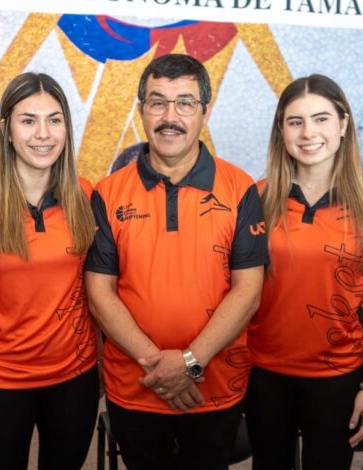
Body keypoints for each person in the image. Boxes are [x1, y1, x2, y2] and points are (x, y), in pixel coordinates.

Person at [85, 53, 268, 470]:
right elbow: (99, 293)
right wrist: (162, 367)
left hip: (213, 385)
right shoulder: (108, 193)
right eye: (158, 102)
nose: (170, 117)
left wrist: (189, 363)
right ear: (141, 110)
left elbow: (249, 291)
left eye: (185, 102)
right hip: (137, 384)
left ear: (205, 111)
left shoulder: (239, 188)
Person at [244, 74, 363, 470]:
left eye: (321, 119)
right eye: (295, 121)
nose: (308, 133)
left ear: (343, 124)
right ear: (281, 130)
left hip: (338, 373)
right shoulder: (256, 199)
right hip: (264, 370)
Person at [0, 72, 99, 470]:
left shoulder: (86, 195)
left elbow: (103, 287)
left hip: (75, 375)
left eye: (54, 120)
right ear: (6, 129)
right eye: (28, 120)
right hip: (0, 379)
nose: (43, 134)